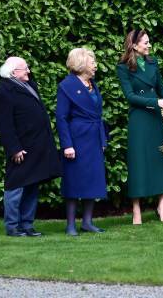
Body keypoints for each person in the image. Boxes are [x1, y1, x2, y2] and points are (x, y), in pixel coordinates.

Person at [116, 30, 163, 225]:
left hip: (156, 119)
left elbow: (161, 89)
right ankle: (136, 210)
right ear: (134, 45)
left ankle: (161, 206)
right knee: (139, 163)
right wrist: (155, 102)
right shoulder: (123, 68)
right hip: (140, 119)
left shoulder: (152, 62)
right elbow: (130, 96)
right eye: (145, 43)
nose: (149, 45)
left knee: (159, 160)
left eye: (149, 42)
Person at [0, 56, 62, 236]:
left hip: (36, 145)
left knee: (32, 185)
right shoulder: (3, 91)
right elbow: (3, 124)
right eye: (25, 69)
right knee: (15, 187)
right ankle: (13, 227)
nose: (29, 71)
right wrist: (14, 148)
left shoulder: (29, 85)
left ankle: (27, 225)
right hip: (21, 148)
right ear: (14, 72)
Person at [56, 48, 108, 236]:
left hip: (93, 138)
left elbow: (98, 115)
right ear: (81, 64)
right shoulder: (67, 86)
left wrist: (102, 138)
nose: (95, 65)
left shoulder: (92, 84)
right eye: (92, 62)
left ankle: (87, 222)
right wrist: (67, 145)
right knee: (73, 181)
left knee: (92, 179)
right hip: (77, 139)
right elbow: (61, 118)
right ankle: (70, 225)